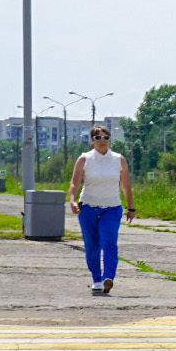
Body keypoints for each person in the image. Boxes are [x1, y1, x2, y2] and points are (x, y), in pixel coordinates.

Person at [66, 124, 133, 295]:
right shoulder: (85, 159)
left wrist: (131, 207)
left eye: (106, 137)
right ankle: (97, 278)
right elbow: (74, 183)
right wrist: (72, 201)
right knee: (92, 245)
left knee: (108, 241)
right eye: (98, 138)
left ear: (110, 139)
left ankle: (108, 277)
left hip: (111, 208)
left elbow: (125, 185)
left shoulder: (119, 159)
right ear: (92, 140)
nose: (102, 141)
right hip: (87, 207)